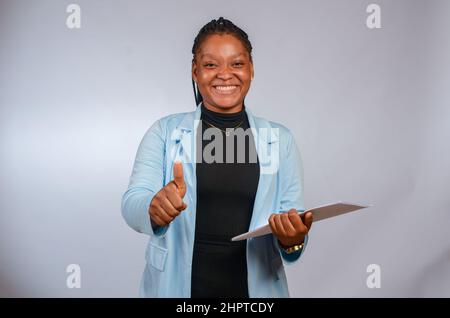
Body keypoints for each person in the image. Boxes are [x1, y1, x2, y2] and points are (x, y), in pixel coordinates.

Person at [121, 17, 313, 298]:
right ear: (195, 71)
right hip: (179, 291)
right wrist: (153, 207)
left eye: (237, 63)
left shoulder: (280, 139)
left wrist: (293, 239)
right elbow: (132, 202)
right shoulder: (165, 132)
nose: (225, 74)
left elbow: (291, 219)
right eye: (211, 64)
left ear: (251, 69)